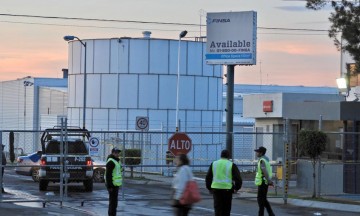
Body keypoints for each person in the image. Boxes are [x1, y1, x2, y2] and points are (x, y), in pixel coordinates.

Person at [206, 149, 242, 216]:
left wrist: (209, 188)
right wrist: (237, 188)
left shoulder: (214, 164)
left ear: (221, 155)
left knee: (217, 209)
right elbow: (238, 178)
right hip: (227, 190)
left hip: (216, 189)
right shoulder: (231, 165)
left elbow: (208, 177)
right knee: (226, 210)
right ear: (229, 156)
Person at [254, 146, 275, 216]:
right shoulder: (265, 160)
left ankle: (262, 214)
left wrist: (269, 181)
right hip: (264, 182)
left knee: (260, 201)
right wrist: (269, 181)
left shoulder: (262, 160)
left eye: (257, 152)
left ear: (261, 153)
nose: (256, 153)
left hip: (262, 183)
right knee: (263, 200)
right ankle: (271, 214)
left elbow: (264, 171)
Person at [105, 147, 123, 216]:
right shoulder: (111, 161)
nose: (117, 154)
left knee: (114, 203)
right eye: (115, 152)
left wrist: (121, 169)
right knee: (112, 203)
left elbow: (118, 170)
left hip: (115, 185)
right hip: (112, 185)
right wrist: (110, 186)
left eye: (118, 152)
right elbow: (108, 175)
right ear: (112, 153)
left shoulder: (117, 160)